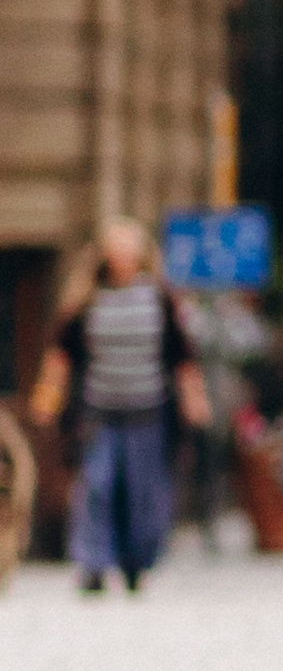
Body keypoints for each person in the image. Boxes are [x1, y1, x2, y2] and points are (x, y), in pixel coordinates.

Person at [30, 220, 209, 595]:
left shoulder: (159, 299)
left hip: (148, 409)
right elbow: (61, 354)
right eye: (117, 250)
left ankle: (136, 563)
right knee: (97, 485)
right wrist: (47, 399)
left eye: (130, 250)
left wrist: (194, 400)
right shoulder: (87, 300)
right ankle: (93, 564)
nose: (124, 258)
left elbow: (181, 355)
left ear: (141, 255)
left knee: (142, 491)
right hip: (100, 410)